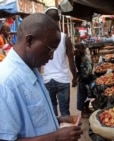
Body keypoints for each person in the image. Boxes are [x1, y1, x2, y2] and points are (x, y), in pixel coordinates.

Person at [0, 13, 83, 141]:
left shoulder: (32, 70)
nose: (51, 56)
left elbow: (32, 120)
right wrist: (56, 137)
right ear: (30, 41)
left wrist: (58, 120)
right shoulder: (5, 83)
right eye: (50, 49)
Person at [43, 7, 77, 117]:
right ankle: (66, 133)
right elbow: (71, 60)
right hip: (62, 79)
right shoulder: (64, 38)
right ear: (58, 20)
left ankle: (55, 132)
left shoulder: (42, 38)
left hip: (47, 80)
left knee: (53, 115)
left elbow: (38, 63)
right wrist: (75, 78)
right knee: (65, 113)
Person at [74, 43, 93, 118]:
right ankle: (83, 112)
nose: (85, 50)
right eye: (84, 48)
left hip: (86, 79)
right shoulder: (80, 58)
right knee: (83, 97)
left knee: (87, 95)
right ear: (82, 50)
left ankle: (87, 108)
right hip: (83, 79)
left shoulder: (82, 57)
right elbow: (86, 69)